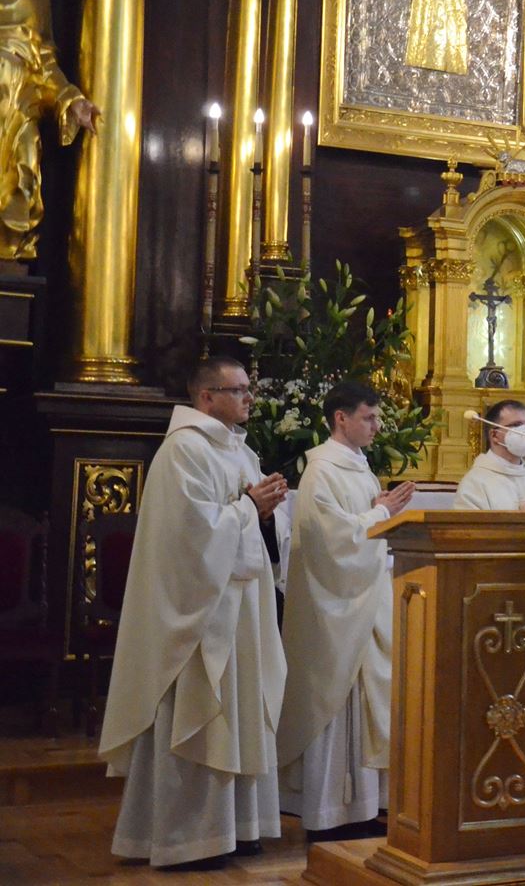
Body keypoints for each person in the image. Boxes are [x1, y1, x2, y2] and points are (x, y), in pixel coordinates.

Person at [99, 357, 287, 868]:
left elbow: (257, 524)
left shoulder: (238, 450)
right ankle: (187, 837)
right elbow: (191, 537)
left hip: (240, 608)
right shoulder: (184, 451)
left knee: (241, 708)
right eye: (239, 389)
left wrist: (267, 512)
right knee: (201, 713)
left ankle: (238, 827)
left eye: (250, 388)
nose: (250, 397)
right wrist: (251, 507)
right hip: (200, 614)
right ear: (206, 396)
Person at [278, 380, 415, 837]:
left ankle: (364, 807)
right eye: (369, 417)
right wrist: (379, 515)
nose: (377, 426)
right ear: (341, 418)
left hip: (365, 603)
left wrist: (384, 521)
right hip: (335, 609)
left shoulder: (359, 467)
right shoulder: (322, 470)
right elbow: (329, 543)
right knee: (338, 704)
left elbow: (366, 531)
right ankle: (327, 813)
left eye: (377, 418)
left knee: (369, 703)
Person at [2, 0, 100, 262]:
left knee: (25, 173)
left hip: (22, 100)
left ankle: (10, 251)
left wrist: (71, 98)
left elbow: (45, 60)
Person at [454, 399, 525, 511]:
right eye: (516, 425)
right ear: (494, 435)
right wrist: (522, 521)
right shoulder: (474, 483)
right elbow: (470, 528)